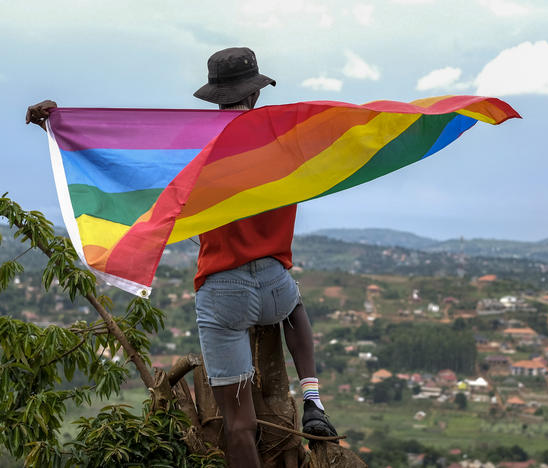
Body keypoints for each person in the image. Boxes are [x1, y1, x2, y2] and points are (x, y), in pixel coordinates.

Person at [25, 46, 337, 468]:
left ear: (214, 99)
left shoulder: (198, 144)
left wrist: (58, 124)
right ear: (257, 94)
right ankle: (313, 401)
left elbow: (127, 153)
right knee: (295, 306)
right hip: (273, 286)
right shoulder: (282, 137)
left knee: (239, 425)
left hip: (225, 293)